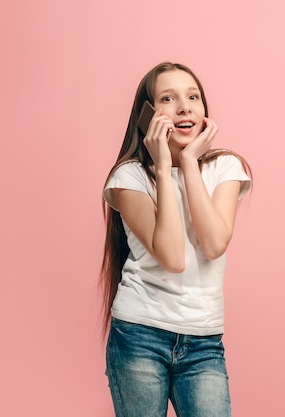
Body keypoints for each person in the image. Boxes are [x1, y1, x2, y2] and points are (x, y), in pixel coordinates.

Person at [100, 62, 252, 417]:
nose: (184, 107)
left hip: (204, 341)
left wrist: (187, 162)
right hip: (139, 336)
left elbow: (214, 244)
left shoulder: (225, 167)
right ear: (147, 115)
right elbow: (173, 256)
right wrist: (162, 164)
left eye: (193, 96)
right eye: (168, 98)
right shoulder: (130, 177)